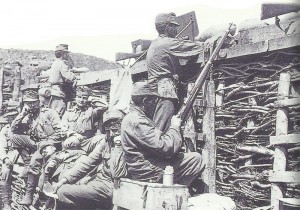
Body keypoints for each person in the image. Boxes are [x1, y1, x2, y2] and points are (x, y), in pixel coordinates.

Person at [121, 81, 204, 186]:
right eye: (154, 100)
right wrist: (174, 126)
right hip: (148, 172)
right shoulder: (138, 121)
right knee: (196, 160)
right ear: (145, 101)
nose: (156, 104)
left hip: (143, 167)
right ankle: (173, 193)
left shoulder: (132, 117)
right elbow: (165, 148)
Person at [50, 109, 127, 210]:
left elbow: (117, 173)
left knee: (63, 192)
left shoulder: (128, 145)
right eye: (108, 130)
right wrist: (64, 180)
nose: (112, 134)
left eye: (115, 130)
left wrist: (118, 146)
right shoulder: (106, 142)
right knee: (65, 183)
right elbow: (89, 162)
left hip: (112, 186)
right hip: (100, 181)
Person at [147, 12, 202, 133]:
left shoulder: (154, 43)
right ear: (167, 28)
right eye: (174, 27)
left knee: (157, 126)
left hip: (155, 90)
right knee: (160, 130)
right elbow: (197, 48)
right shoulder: (168, 43)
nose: (176, 30)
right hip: (165, 91)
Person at [9, 89, 64, 205]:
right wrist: (22, 114)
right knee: (14, 137)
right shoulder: (27, 116)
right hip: (36, 144)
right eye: (28, 103)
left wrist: (48, 143)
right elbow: (13, 129)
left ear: (39, 101)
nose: (31, 105)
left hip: (50, 145)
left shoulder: (49, 113)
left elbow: (60, 133)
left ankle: (28, 194)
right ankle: (27, 162)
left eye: (33, 102)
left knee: (35, 161)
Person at [61, 85, 108, 153]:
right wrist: (74, 134)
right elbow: (63, 128)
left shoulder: (92, 111)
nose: (81, 100)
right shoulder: (68, 112)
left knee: (103, 138)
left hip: (88, 141)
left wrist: (91, 99)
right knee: (72, 141)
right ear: (76, 98)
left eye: (84, 98)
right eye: (79, 97)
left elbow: (104, 106)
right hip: (73, 140)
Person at [48, 44, 78, 117]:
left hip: (54, 91)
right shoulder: (62, 64)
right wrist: (74, 75)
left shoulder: (55, 63)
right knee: (58, 115)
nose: (67, 55)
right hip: (59, 92)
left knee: (54, 114)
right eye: (66, 53)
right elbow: (68, 77)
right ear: (62, 53)